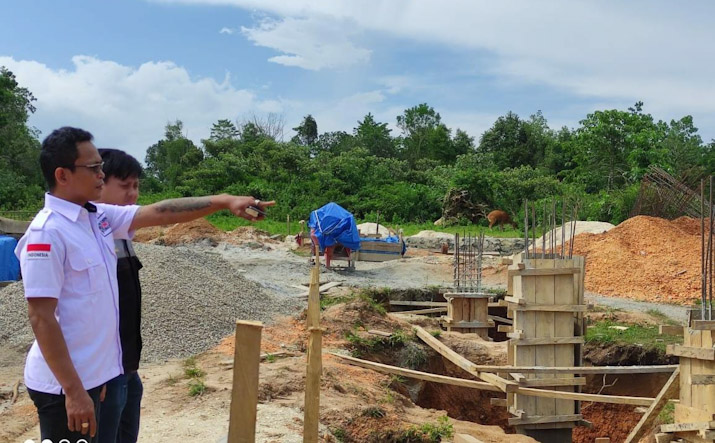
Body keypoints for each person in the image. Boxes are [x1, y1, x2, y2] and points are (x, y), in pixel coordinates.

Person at [16, 127, 273, 442]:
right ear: (62, 175)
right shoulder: (47, 234)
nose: (101, 174)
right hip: (64, 388)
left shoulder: (96, 218)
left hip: (97, 380)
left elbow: (161, 212)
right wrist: (74, 391)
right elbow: (41, 318)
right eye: (93, 168)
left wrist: (223, 201)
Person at [94, 149, 144, 443]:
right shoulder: (86, 237)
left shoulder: (123, 235)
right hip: (104, 371)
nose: (132, 194)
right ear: (99, 183)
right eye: (125, 186)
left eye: (136, 186)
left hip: (127, 365)